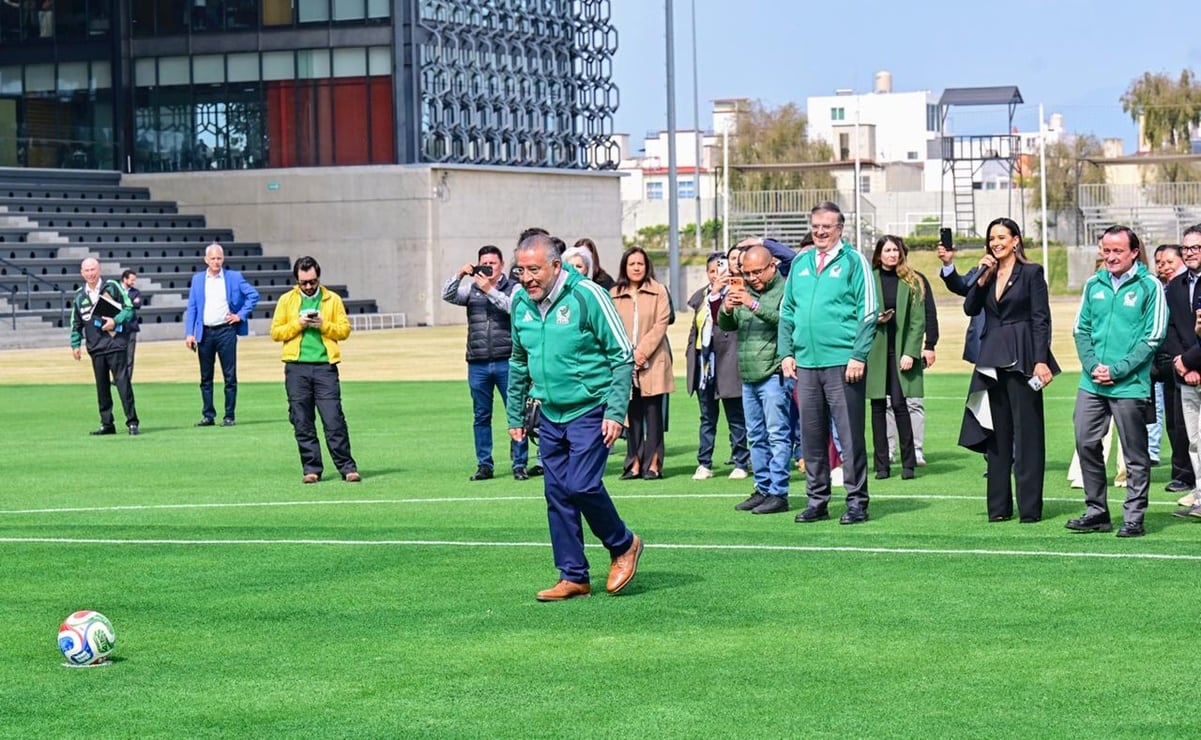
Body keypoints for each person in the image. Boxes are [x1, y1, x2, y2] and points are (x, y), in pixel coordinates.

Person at [506, 233, 643, 602]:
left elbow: (621, 355)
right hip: (548, 413)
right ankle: (573, 575)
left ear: (555, 265)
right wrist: (515, 413)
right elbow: (519, 360)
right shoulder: (520, 301)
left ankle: (624, 544)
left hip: (591, 408)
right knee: (556, 493)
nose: (527, 278)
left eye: (534, 270)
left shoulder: (587, 295)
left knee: (581, 485)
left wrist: (616, 411)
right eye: (521, 270)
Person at [779, 202, 876, 525]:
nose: (820, 231)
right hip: (806, 364)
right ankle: (817, 500)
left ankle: (857, 502)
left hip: (842, 363)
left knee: (849, 438)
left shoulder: (853, 262)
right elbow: (787, 311)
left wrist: (858, 355)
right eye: (816, 225)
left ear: (840, 229)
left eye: (827, 226)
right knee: (811, 436)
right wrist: (787, 353)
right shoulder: (801, 262)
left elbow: (869, 311)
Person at [958, 217, 1059, 523]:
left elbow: (1041, 319)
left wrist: (1041, 360)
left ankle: (1029, 509)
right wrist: (981, 274)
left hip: (1024, 359)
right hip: (991, 360)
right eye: (992, 238)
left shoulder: (1032, 273)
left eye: (1002, 237)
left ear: (1016, 240)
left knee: (1027, 434)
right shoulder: (986, 273)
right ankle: (999, 508)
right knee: (996, 434)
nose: (996, 243)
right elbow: (970, 308)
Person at [1067, 226, 1165, 537]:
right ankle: (1097, 511)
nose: (1110, 256)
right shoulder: (1093, 284)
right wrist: (1094, 366)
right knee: (1085, 442)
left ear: (1134, 252)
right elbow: (1080, 330)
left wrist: (1118, 370)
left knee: (1135, 454)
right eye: (1106, 250)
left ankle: (1134, 517)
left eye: (1117, 251)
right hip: (1092, 383)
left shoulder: (1150, 286)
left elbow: (1153, 337)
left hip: (1130, 384)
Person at [269, 256, 361, 484]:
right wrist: (298, 324)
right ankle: (311, 468)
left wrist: (323, 325)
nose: (309, 286)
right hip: (296, 368)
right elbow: (275, 332)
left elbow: (344, 330)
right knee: (302, 420)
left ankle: (347, 467)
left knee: (333, 419)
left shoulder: (332, 299)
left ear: (318, 278)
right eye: (304, 283)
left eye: (312, 281)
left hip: (325, 368)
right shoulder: (286, 300)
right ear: (297, 281)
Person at [441, 245, 529, 481]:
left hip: (506, 359)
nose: (488, 267)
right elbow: (447, 295)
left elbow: (513, 308)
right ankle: (484, 464)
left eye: (492, 263)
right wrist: (460, 275)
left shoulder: (514, 288)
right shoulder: (471, 290)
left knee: (516, 413)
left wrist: (489, 289)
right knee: (481, 416)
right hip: (478, 361)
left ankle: (519, 464)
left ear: (501, 265)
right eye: (484, 263)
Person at [719, 245, 791, 512]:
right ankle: (762, 488)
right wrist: (726, 308)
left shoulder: (784, 289)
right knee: (756, 436)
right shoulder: (744, 290)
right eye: (746, 273)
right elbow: (727, 325)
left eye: (757, 272)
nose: (752, 278)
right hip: (748, 375)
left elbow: (784, 320)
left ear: (773, 265)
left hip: (773, 373)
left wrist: (753, 304)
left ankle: (779, 492)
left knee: (777, 435)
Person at [610, 246, 674, 479]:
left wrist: (641, 353)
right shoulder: (614, 293)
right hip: (625, 362)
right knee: (631, 413)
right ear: (624, 267)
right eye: (632, 264)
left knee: (653, 413)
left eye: (640, 263)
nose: (636, 268)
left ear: (647, 266)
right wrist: (628, 354)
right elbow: (612, 326)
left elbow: (661, 325)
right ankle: (633, 462)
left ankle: (654, 463)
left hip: (653, 361)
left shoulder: (658, 291)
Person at [687, 252, 750, 481]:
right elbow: (696, 328)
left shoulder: (737, 291)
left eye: (720, 269)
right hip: (705, 364)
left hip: (729, 362)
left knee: (735, 415)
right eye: (712, 271)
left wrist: (723, 291)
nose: (716, 275)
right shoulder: (702, 296)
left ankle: (741, 461)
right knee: (707, 417)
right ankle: (704, 462)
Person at [867, 235, 925, 480]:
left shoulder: (912, 281)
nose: (892, 254)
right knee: (878, 406)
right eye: (887, 250)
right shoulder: (869, 279)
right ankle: (882, 465)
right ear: (879, 254)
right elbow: (856, 311)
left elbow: (917, 321)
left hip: (900, 351)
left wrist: (911, 352)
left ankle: (908, 463)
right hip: (875, 352)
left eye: (895, 250)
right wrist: (874, 319)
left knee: (901, 405)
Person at [184, 243, 260, 427]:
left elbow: (253, 295)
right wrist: (189, 333)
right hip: (205, 332)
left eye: (219, 258)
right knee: (205, 376)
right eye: (212, 258)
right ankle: (208, 415)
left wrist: (240, 315)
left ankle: (229, 415)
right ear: (206, 260)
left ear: (223, 259)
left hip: (226, 331)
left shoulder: (234, 277)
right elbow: (192, 308)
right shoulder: (197, 279)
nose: (216, 262)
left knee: (229, 376)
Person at [70, 258, 139, 435]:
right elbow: (76, 322)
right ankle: (107, 423)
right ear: (81, 273)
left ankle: (132, 422)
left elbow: (129, 309)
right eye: (87, 270)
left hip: (115, 344)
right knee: (102, 388)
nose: (90, 273)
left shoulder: (112, 287)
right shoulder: (79, 295)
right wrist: (75, 344)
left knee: (123, 384)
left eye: (93, 269)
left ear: (99, 270)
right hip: (95, 348)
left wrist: (115, 321)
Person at [1164, 225, 1201, 507]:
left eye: (1196, 247)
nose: (1190, 253)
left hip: (1195, 367)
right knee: (1194, 441)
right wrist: (1181, 363)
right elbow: (1171, 328)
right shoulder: (1175, 286)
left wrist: (1190, 361)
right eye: (1186, 248)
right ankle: (1200, 495)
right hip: (1185, 376)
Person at [886, 268, 937, 467]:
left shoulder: (916, 278)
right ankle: (889, 450)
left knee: (913, 401)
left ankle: (916, 450)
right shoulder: (875, 278)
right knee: (887, 402)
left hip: (911, 349)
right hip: (885, 350)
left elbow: (929, 312)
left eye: (895, 250)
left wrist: (930, 344)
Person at [120, 269, 142, 381]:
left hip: (131, 327)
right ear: (125, 279)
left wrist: (124, 304)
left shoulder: (136, 292)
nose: (133, 282)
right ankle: (118, 377)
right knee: (118, 355)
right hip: (118, 327)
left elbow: (137, 304)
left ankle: (127, 379)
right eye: (132, 280)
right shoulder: (116, 290)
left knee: (129, 355)